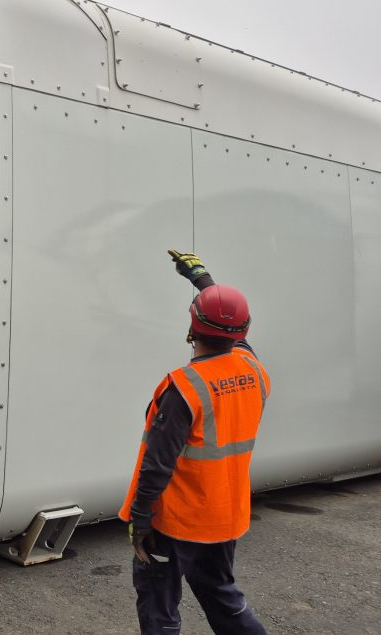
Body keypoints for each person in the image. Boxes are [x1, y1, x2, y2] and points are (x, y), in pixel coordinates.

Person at [119, 250, 271, 634]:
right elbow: (229, 325)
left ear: (192, 327)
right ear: (243, 332)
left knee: (159, 610)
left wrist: (140, 519)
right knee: (224, 602)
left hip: (175, 520)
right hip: (223, 517)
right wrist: (202, 279)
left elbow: (157, 463)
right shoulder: (253, 368)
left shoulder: (183, 388)